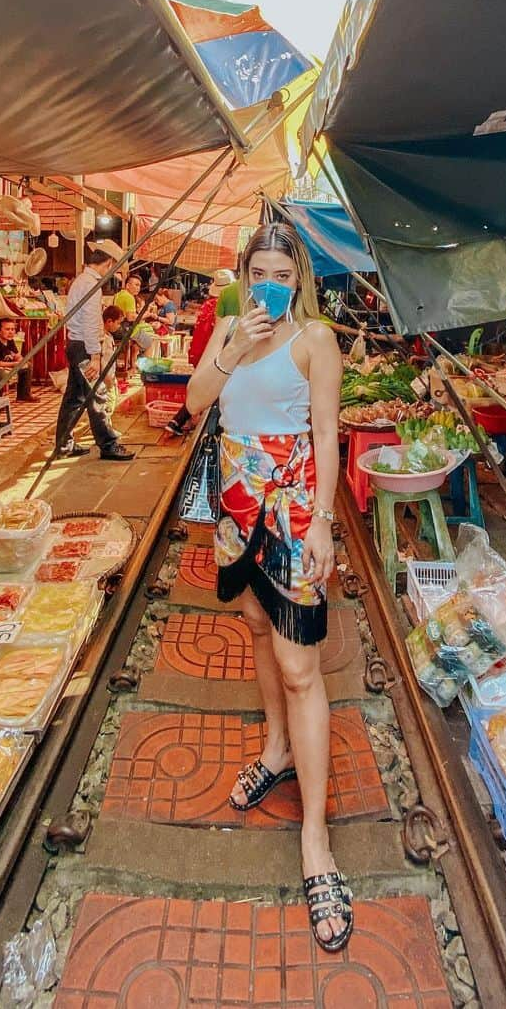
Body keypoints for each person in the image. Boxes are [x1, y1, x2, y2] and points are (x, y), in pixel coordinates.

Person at [185, 222, 351, 953]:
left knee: (301, 666)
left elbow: (324, 434)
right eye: (261, 272)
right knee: (255, 628)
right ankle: (276, 749)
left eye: (284, 272)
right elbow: (195, 405)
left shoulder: (316, 339)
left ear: (299, 276)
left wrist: (323, 523)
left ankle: (315, 839)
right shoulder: (228, 329)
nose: (271, 284)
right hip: (235, 507)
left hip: (289, 508)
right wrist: (230, 346)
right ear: (244, 275)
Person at [55, 241, 135, 461]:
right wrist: (95, 356)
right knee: (97, 395)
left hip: (76, 344)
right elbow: (90, 324)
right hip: (83, 348)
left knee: (74, 398)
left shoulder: (81, 281)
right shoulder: (90, 284)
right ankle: (108, 445)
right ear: (108, 262)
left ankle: (64, 445)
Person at [165, 268, 235, 437]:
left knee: (200, 390)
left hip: (201, 353)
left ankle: (179, 421)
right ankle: (197, 426)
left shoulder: (207, 305)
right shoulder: (227, 303)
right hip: (216, 356)